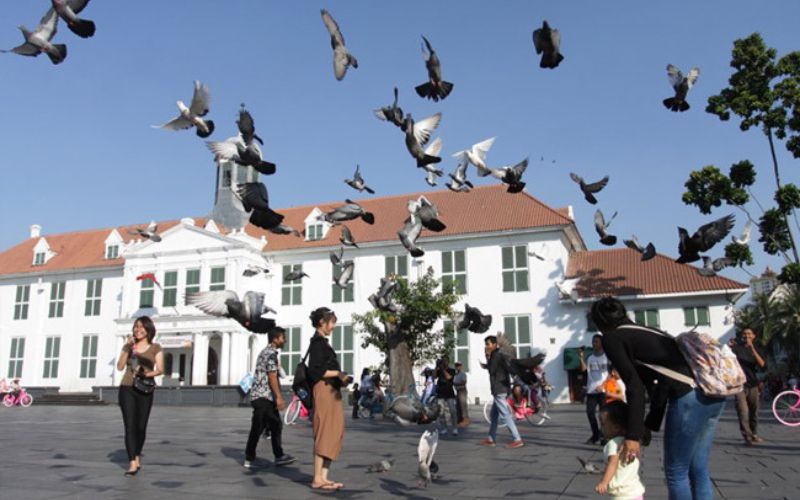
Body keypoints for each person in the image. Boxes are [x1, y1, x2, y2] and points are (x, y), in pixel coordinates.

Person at [590, 297, 724, 500]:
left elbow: (634, 386)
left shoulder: (612, 338)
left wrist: (633, 436)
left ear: (600, 322)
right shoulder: (644, 331)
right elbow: (659, 380)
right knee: (698, 468)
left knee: (676, 472)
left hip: (688, 399)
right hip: (711, 394)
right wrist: (649, 425)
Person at [116, 316, 164, 476]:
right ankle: (132, 462)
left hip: (145, 389)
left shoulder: (155, 347)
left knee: (141, 427)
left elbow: (160, 369)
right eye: (136, 326)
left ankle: (136, 454)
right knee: (130, 426)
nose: (138, 329)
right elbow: (120, 366)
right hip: (127, 388)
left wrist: (146, 374)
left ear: (149, 330)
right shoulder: (130, 346)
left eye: (142, 327)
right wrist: (126, 348)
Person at [307, 307, 348, 491]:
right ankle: (317, 477)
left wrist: (340, 378)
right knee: (325, 430)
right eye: (331, 323)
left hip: (332, 390)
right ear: (322, 323)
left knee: (334, 431)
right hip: (324, 390)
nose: (333, 327)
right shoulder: (317, 343)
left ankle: (324, 476)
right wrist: (338, 373)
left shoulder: (323, 343)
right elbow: (316, 371)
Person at [244, 327, 296, 469]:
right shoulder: (271, 354)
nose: (284, 340)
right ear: (275, 339)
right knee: (259, 427)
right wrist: (279, 397)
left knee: (273, 425)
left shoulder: (264, 352)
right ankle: (251, 458)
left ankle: (277, 455)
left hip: (261, 396)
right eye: (282, 338)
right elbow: (272, 376)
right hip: (264, 396)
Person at [595, 401, 646, 500]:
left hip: (622, 495)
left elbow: (613, 463)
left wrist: (604, 482)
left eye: (603, 424)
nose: (601, 428)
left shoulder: (613, 444)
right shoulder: (631, 444)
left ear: (616, 427)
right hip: (636, 492)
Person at [479, 335, 524, 449]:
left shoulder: (496, 355)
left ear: (494, 344)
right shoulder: (497, 355)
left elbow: (492, 371)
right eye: (486, 344)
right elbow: (492, 368)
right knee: (494, 415)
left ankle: (517, 439)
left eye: (488, 344)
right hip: (499, 389)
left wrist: (488, 357)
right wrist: (487, 362)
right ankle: (491, 439)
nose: (486, 347)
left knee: (505, 415)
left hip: (499, 389)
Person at [730, 327, 767, 445]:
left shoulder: (758, 349)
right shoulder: (736, 348)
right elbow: (728, 360)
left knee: (754, 411)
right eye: (744, 334)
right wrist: (729, 347)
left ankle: (754, 433)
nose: (747, 336)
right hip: (739, 385)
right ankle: (747, 436)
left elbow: (763, 366)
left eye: (749, 333)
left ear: (754, 336)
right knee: (743, 411)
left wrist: (753, 350)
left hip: (753, 385)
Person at [580, 334, 609, 445]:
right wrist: (581, 357)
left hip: (603, 390)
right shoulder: (590, 358)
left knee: (603, 415)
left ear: (601, 343)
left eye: (596, 341)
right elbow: (583, 369)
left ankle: (604, 436)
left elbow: (610, 374)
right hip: (591, 390)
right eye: (593, 341)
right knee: (590, 412)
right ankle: (595, 435)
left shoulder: (606, 357)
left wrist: (603, 385)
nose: (594, 343)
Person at [435, 357, 458, 436]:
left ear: (448, 362)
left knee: (453, 411)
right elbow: (434, 376)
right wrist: (436, 367)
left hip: (449, 393)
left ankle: (455, 428)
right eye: (443, 362)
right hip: (440, 393)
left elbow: (449, 377)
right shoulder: (439, 370)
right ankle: (444, 428)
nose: (444, 363)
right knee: (441, 412)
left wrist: (442, 369)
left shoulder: (452, 370)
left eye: (445, 361)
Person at [454, 361, 470, 426]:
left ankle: (465, 419)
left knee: (463, 405)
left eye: (459, 365)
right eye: (456, 366)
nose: (458, 367)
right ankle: (459, 419)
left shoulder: (463, 374)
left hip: (462, 390)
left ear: (461, 366)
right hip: (458, 391)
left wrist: (455, 384)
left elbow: (464, 382)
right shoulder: (455, 375)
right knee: (458, 406)